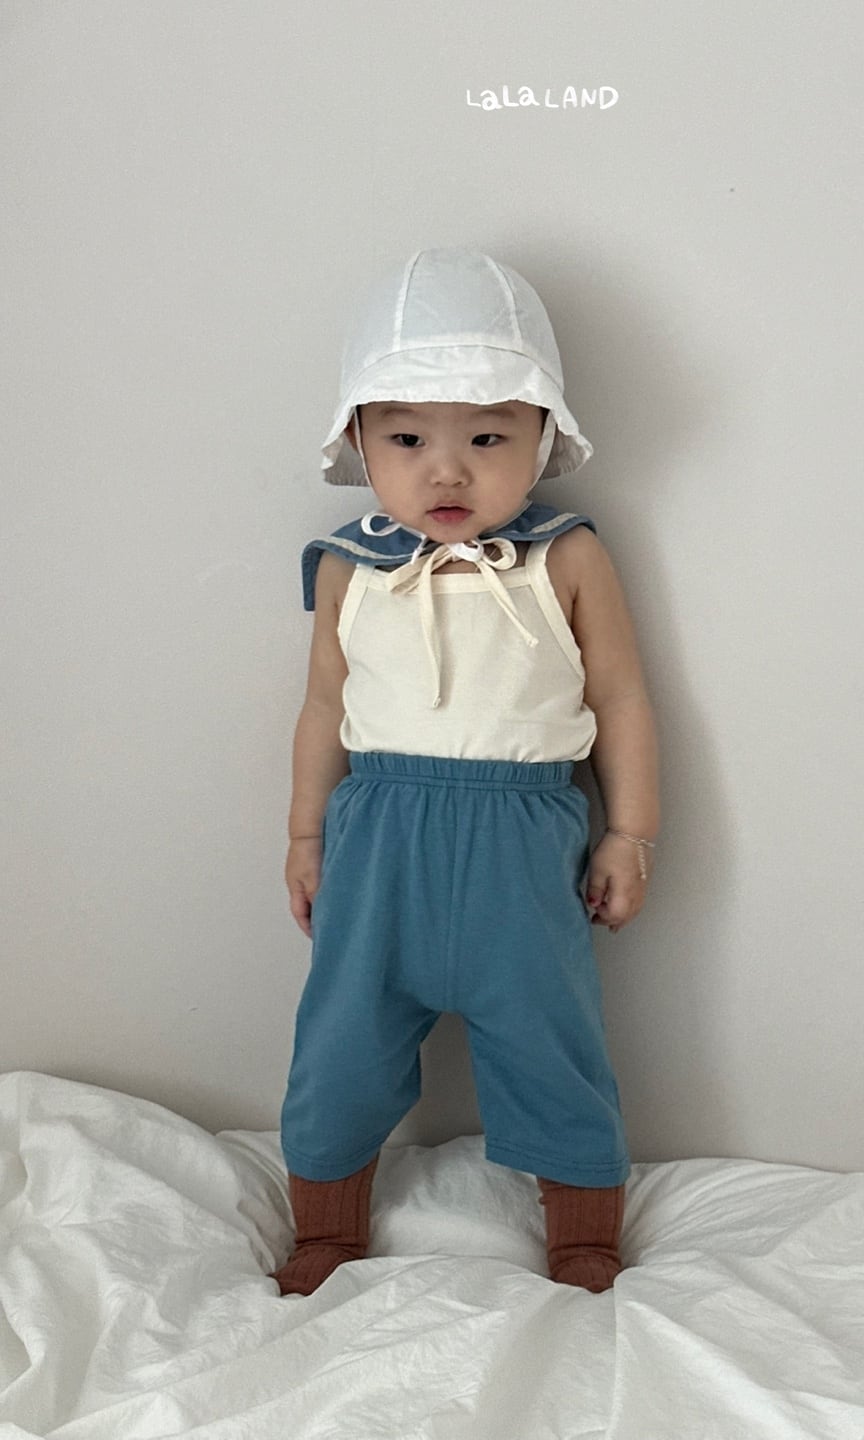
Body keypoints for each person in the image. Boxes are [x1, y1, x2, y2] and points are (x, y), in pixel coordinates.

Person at [273, 247, 659, 1298]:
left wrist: (630, 832)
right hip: (377, 838)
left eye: (487, 438)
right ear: (360, 441)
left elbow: (623, 699)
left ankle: (581, 1234)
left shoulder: (567, 556)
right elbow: (323, 708)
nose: (447, 472)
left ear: (542, 438)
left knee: (552, 1038)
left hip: (523, 841)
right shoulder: (350, 567)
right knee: (340, 1039)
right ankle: (325, 1230)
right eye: (408, 440)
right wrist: (305, 834)